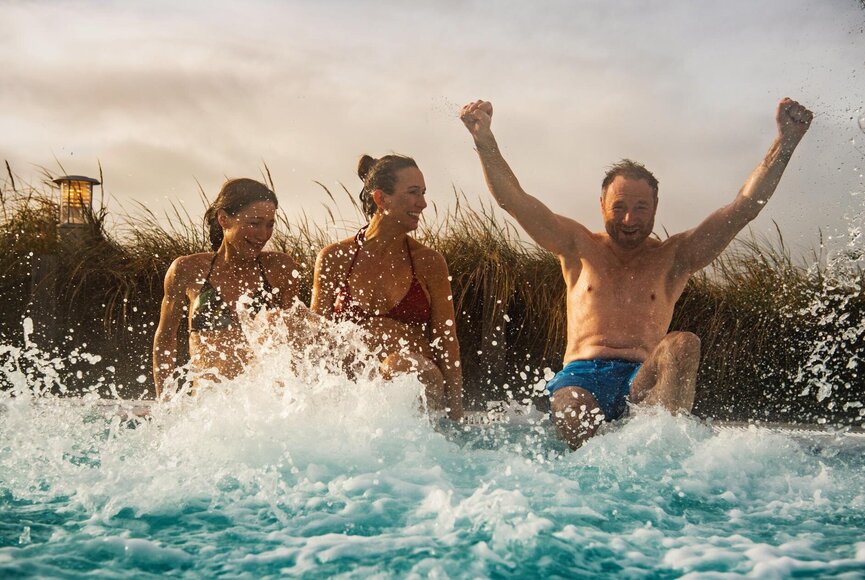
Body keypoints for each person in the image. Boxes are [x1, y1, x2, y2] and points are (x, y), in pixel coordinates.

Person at [460, 98, 813, 448]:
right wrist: (483, 138)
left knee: (683, 343)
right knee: (571, 407)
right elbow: (514, 200)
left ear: (656, 207)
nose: (630, 220)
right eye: (619, 207)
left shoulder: (674, 257)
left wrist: (786, 143)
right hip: (582, 377)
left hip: (643, 380)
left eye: (641, 208)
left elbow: (743, 208)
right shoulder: (576, 246)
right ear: (602, 205)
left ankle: (658, 451)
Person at [311, 154, 463, 420]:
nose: (423, 203)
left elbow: (446, 342)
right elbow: (316, 334)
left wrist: (456, 415)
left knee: (397, 364)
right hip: (356, 392)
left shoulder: (428, 262)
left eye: (424, 193)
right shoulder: (335, 258)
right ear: (381, 199)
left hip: (416, 382)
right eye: (414, 193)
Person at [152, 178, 300, 398]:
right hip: (208, 408)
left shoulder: (280, 268)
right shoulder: (188, 269)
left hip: (264, 406)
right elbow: (165, 338)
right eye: (254, 223)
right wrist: (165, 402)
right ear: (223, 219)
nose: (263, 235)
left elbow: (295, 338)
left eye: (270, 224)